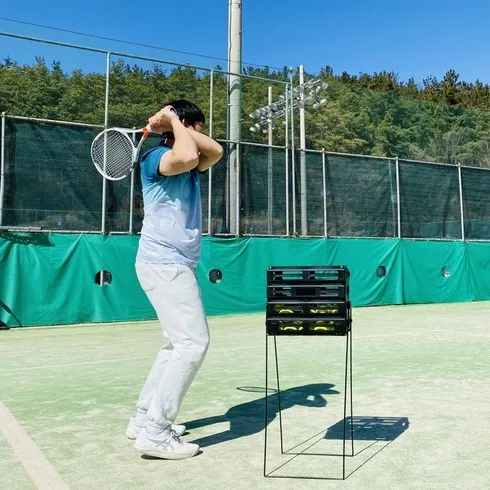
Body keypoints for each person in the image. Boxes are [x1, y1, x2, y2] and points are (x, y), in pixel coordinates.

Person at [127, 99, 223, 460]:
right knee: (192, 344)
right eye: (197, 126)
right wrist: (171, 121)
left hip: (169, 263)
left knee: (174, 345)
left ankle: (142, 419)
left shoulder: (194, 161)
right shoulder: (156, 159)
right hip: (165, 263)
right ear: (185, 126)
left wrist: (174, 122)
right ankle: (156, 432)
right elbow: (183, 155)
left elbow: (215, 150)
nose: (200, 134)